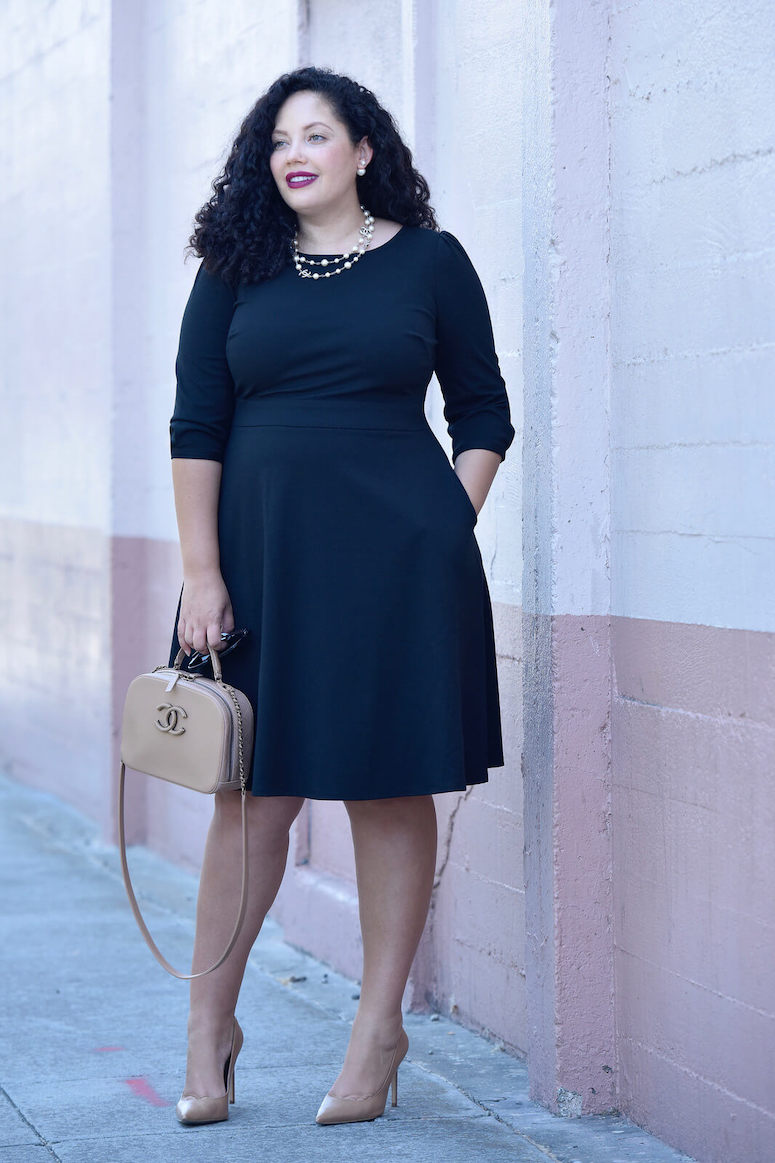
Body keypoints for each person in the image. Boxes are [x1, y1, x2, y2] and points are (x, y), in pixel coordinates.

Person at [167, 64, 514, 1128]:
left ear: (365, 150)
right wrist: (200, 570)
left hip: (398, 566)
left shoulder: (431, 261)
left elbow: (483, 409)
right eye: (276, 140)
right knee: (250, 794)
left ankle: (377, 1031)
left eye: (317, 133)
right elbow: (195, 421)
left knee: (383, 784)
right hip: (259, 559)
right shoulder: (236, 266)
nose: (293, 152)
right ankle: (207, 1027)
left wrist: (443, 523)